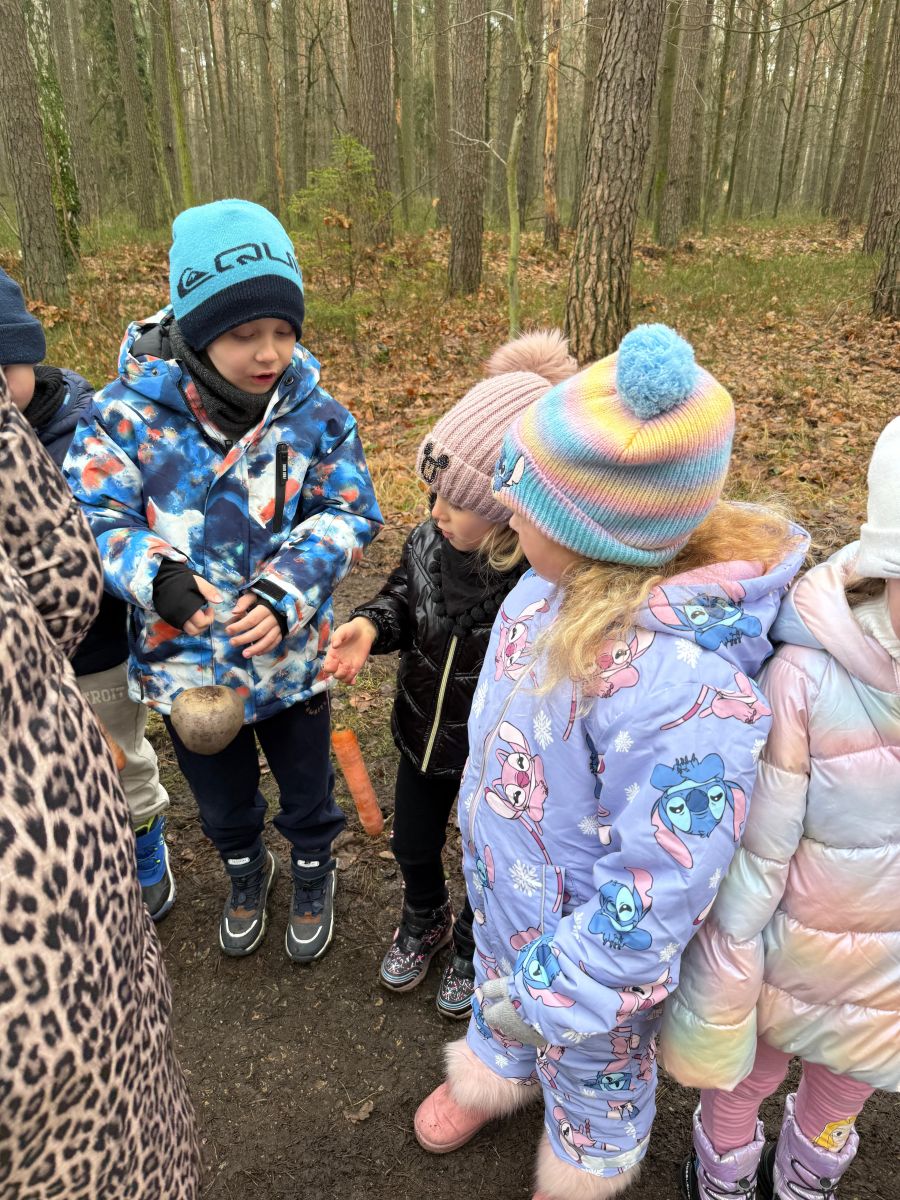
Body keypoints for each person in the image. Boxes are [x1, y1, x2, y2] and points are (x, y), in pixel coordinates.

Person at [412, 324, 808, 1200]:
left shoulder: (682, 688)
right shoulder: (546, 587)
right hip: (509, 895)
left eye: (526, 507)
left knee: (595, 1072)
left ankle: (583, 1157)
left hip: (595, 963)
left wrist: (566, 982)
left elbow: (663, 880)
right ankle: (495, 1071)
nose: (506, 513)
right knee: (501, 1001)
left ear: (595, 533)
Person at [64, 199, 382, 963]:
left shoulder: (316, 417)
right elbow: (94, 514)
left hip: (291, 661)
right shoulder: (123, 417)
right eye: (244, 334)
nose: (268, 352)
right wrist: (161, 579)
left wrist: (286, 592)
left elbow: (348, 511)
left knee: (307, 785)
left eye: (283, 330)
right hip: (187, 669)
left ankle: (312, 867)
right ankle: (245, 868)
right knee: (219, 795)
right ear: (196, 328)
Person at [660, 415, 900, 1200]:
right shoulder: (806, 678)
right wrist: (727, 970)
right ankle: (724, 1173)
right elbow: (759, 850)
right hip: (783, 954)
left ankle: (805, 1176)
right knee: (742, 1077)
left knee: (844, 1088)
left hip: (886, 975)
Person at [324, 332, 576, 1018]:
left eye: (454, 502)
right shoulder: (427, 542)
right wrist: (370, 626)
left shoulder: (535, 585)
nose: (435, 511)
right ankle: (425, 916)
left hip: (491, 764)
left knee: (485, 861)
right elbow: (403, 599)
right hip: (420, 737)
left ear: (504, 511)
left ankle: (472, 942)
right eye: (433, 492)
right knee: (412, 843)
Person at [0, 369, 201, 1198]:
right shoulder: (119, 419)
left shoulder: (79, 416)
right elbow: (71, 560)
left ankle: (147, 838)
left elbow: (63, 572)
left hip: (81, 679)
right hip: (45, 734)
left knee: (129, 758)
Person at [0, 265, 174, 921]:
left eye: (3, 367)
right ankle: (75, 852)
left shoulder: (89, 428)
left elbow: (129, 521)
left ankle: (143, 838)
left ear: (28, 357)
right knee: (45, 770)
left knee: (118, 755)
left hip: (95, 648)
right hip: (17, 667)